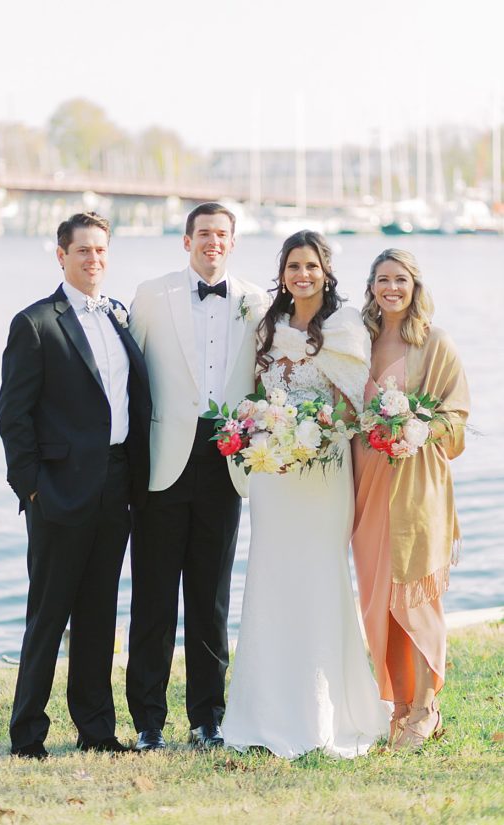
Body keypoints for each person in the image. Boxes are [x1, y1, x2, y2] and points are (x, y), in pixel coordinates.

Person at [222, 231, 389, 759]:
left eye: (311, 265)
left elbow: (352, 405)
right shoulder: (267, 322)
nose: (302, 274)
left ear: (326, 270)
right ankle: (264, 711)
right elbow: (252, 388)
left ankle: (325, 712)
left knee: (319, 577)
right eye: (293, 265)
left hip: (322, 471)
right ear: (282, 272)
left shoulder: (344, 327)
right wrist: (265, 433)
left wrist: (306, 434)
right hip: (274, 474)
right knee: (271, 577)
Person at [0, 212, 151, 758]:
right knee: (47, 616)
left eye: (101, 251)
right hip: (58, 492)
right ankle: (27, 735)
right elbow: (14, 416)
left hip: (116, 486)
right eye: (83, 251)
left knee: (98, 615)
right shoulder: (36, 323)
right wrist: (32, 488)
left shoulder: (119, 316)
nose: (93, 260)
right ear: (60, 255)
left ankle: (96, 731)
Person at [127, 202, 270, 751]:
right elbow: (131, 377)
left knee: (210, 600)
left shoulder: (257, 302)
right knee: (154, 598)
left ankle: (207, 716)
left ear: (232, 242)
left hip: (225, 463)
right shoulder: (151, 294)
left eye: (222, 234)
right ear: (186, 240)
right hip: (163, 463)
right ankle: (147, 720)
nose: (213, 242)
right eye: (203, 233)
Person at [352, 249, 469, 751]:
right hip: (368, 486)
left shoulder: (435, 343)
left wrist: (420, 430)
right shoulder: (360, 341)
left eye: (400, 279)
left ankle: (426, 706)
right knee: (379, 600)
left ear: (415, 286)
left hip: (417, 484)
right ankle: (398, 705)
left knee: (416, 595)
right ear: (372, 287)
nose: (391, 288)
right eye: (383, 280)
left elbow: (458, 413)